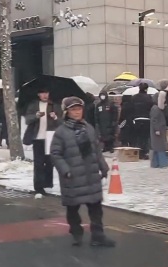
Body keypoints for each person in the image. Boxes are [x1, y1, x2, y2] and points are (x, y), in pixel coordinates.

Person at [50, 97, 115, 247]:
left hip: (91, 174)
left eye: (79, 109)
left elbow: (96, 150)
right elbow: (55, 154)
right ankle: (76, 232)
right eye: (73, 109)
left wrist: (103, 167)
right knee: (73, 208)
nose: (77, 112)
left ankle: (98, 236)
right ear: (66, 112)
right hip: (73, 176)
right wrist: (65, 170)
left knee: (96, 207)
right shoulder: (61, 132)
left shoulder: (89, 128)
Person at [23, 89, 62, 195]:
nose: (45, 95)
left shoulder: (54, 105)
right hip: (38, 138)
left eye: (47, 93)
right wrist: (35, 116)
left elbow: (62, 122)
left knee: (50, 162)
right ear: (38, 94)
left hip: (50, 137)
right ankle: (38, 186)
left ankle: (48, 183)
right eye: (42, 93)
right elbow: (27, 120)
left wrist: (55, 117)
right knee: (38, 163)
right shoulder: (33, 105)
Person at [131, 83, 154, 159]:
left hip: (136, 119)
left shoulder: (134, 97)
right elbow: (151, 108)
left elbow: (131, 108)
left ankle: (137, 152)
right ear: (146, 89)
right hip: (146, 119)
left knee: (137, 137)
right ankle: (144, 153)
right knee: (145, 137)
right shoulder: (149, 97)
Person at [149, 91, 168, 168]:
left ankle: (155, 163)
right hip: (158, 130)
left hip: (159, 130)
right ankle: (162, 163)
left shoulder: (157, 108)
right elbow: (154, 120)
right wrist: (157, 129)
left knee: (157, 147)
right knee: (160, 147)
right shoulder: (155, 109)